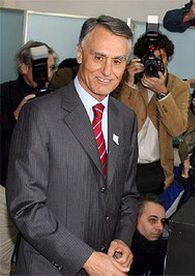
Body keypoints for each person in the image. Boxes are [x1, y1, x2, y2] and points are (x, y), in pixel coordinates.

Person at [6, 15, 140, 275]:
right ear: (80, 53)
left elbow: (128, 193)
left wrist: (122, 239)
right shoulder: (40, 114)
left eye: (117, 61)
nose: (107, 71)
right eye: (99, 57)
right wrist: (87, 258)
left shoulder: (126, 119)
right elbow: (26, 207)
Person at [0, 40, 56, 275]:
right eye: (41, 66)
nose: (48, 73)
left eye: (52, 67)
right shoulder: (4, 93)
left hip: (46, 191)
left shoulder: (57, 97)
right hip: (5, 187)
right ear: (23, 67)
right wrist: (15, 116)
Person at [118, 33, 189, 195]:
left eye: (161, 58)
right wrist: (129, 83)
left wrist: (163, 93)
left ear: (167, 59)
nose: (155, 63)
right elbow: (120, 123)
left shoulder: (178, 87)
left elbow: (178, 129)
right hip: (124, 165)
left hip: (155, 167)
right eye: (150, 58)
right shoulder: (127, 79)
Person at [130, 194, 167, 276]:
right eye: (153, 220)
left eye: (162, 222)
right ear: (136, 219)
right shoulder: (121, 250)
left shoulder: (166, 251)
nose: (160, 227)